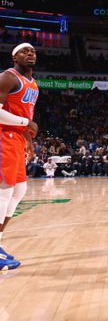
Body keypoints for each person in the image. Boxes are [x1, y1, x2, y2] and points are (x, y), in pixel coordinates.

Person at [0, 43, 39, 271]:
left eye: (33, 51)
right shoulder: (7, 77)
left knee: (19, 191)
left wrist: (29, 141)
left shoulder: (32, 83)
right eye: (24, 51)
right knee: (4, 192)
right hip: (3, 137)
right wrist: (26, 124)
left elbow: (26, 114)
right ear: (14, 57)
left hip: (17, 139)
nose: (30, 54)